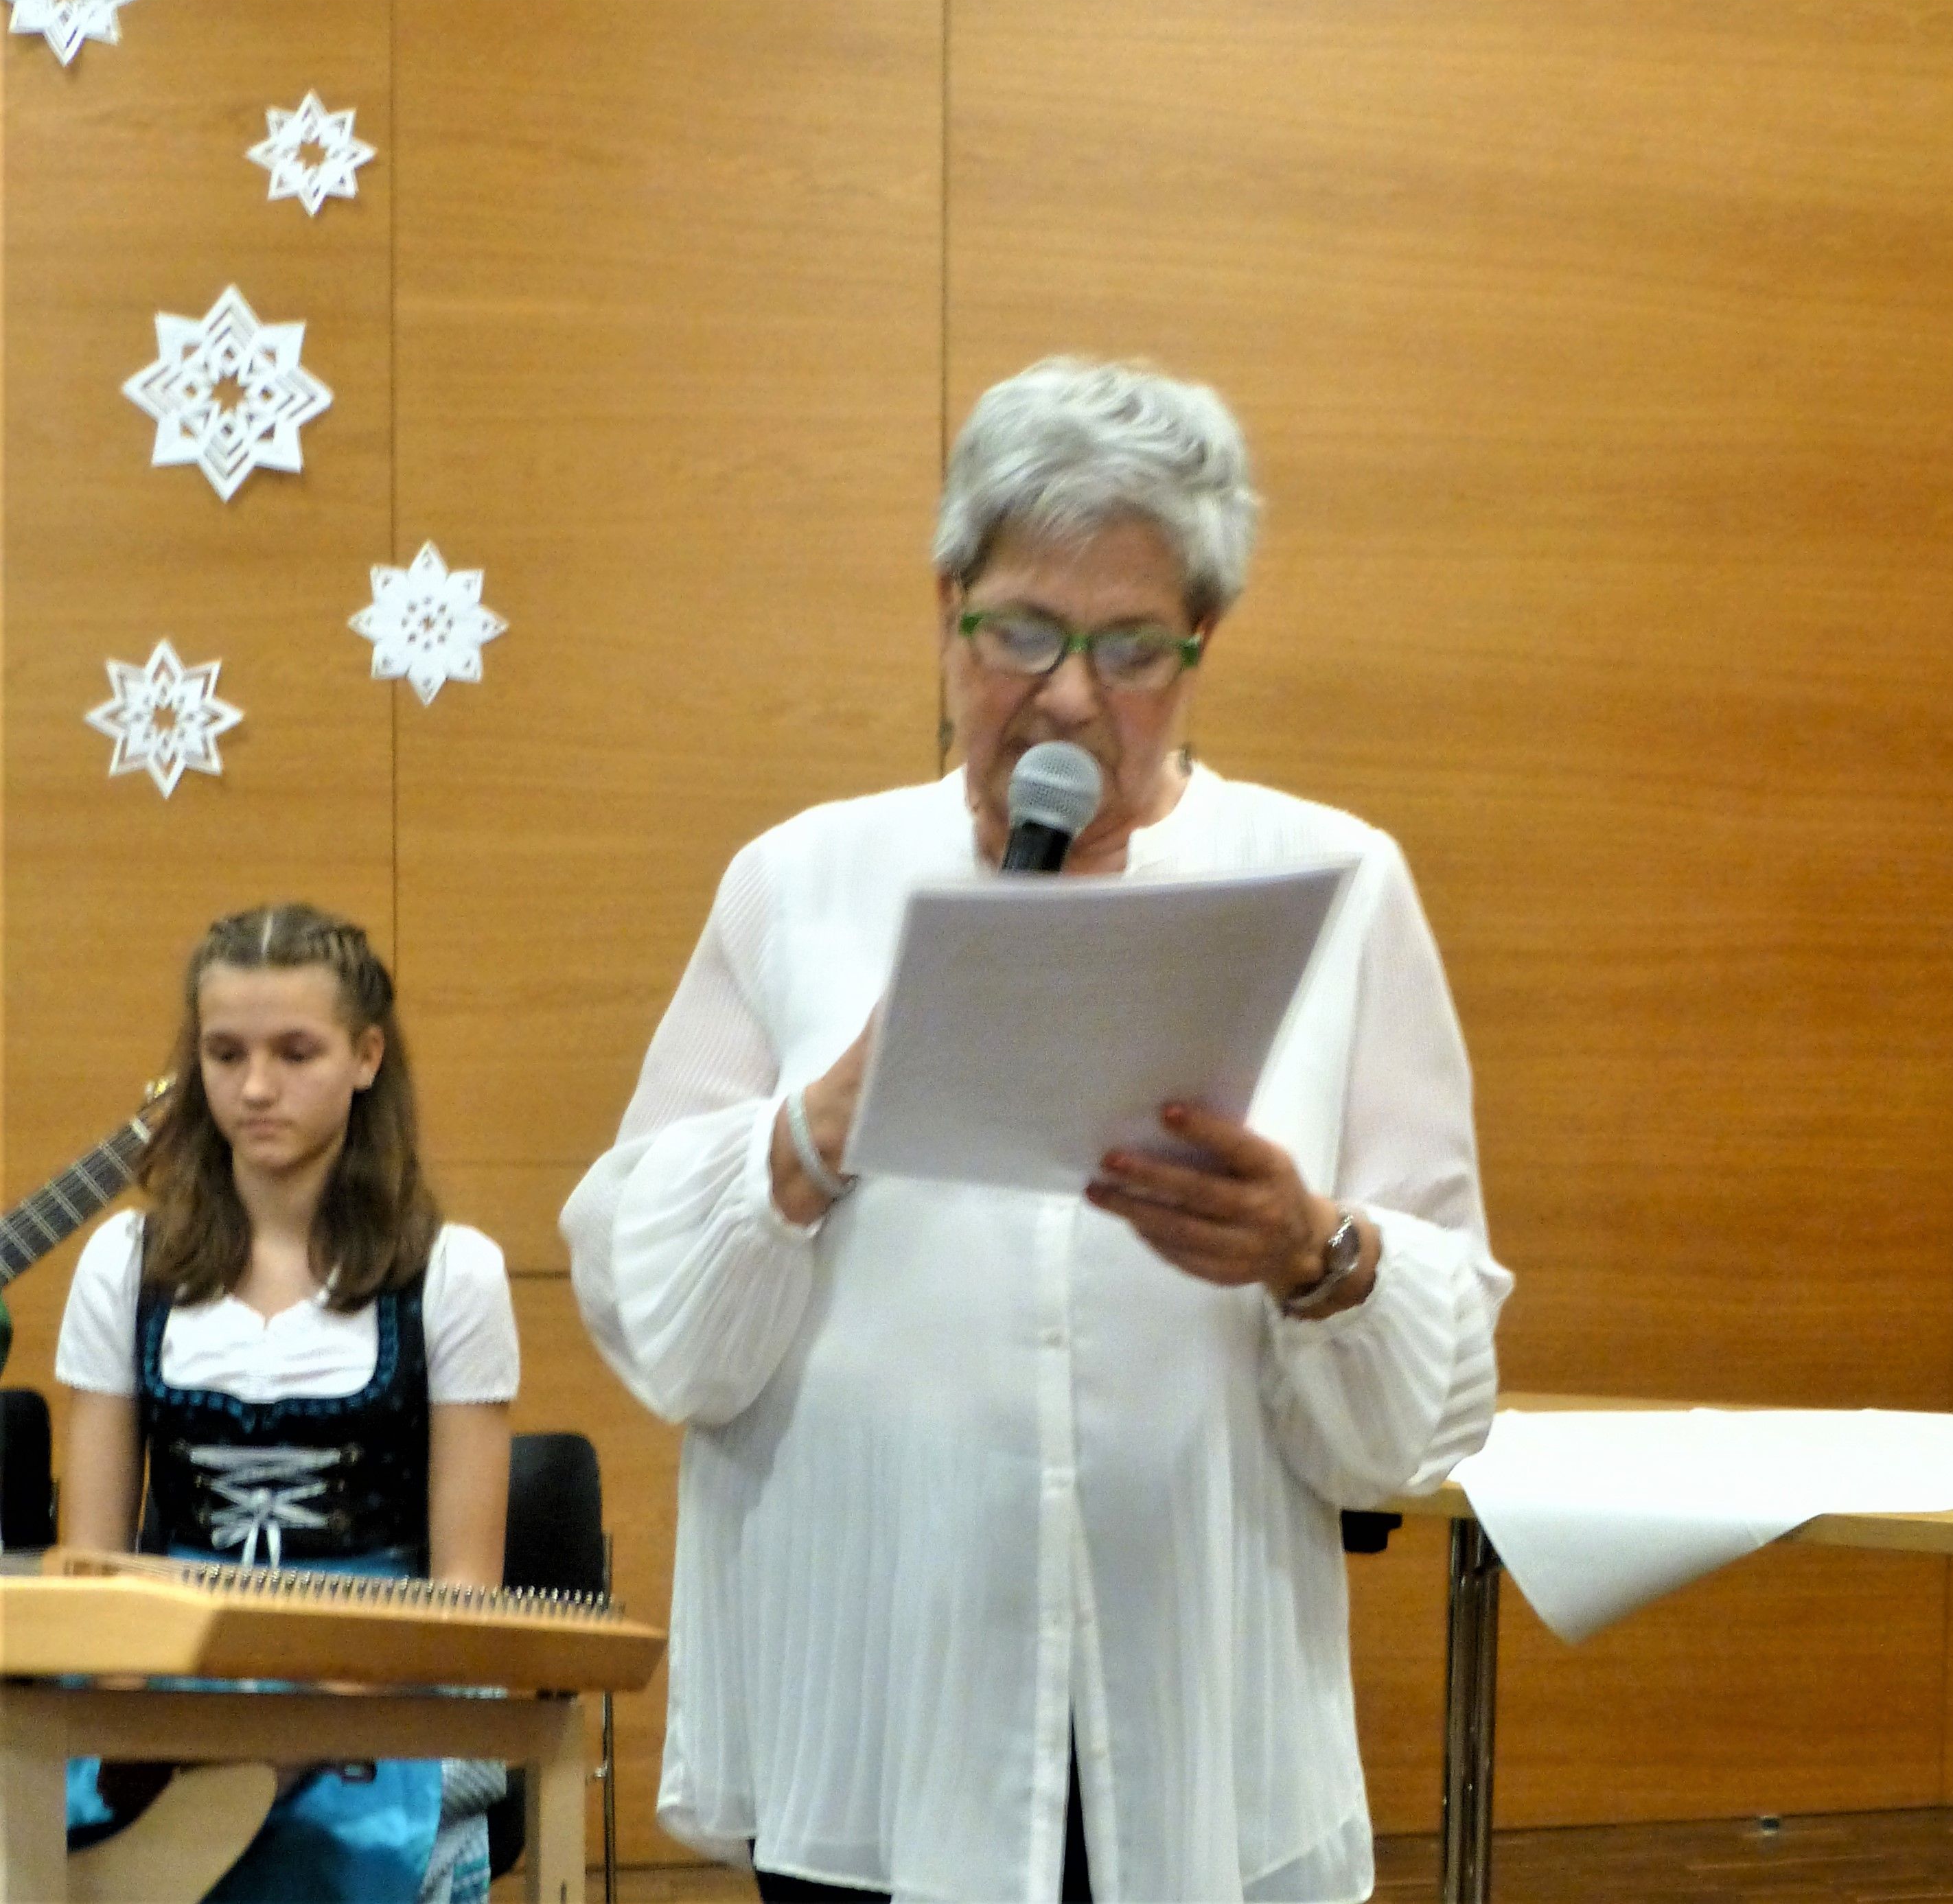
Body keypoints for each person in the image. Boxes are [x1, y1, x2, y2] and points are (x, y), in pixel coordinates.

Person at [563, 358, 1513, 1903]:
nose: (1068, 694)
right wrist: (815, 1132)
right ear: (947, 605)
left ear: (1203, 643)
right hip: (882, 1719)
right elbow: (661, 1324)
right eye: (1021, 630)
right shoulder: (803, 882)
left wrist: (1315, 1253)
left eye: (1130, 646)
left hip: (1192, 1727)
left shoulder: (1334, 882)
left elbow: (1428, 1403)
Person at [54, 902, 521, 1904]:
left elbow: (465, 1596)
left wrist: (285, 1737)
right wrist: (147, 1746)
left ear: (366, 1056)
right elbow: (90, 1569)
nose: (256, 1087)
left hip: (379, 1695)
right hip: (168, 1692)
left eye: (295, 1052)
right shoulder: (123, 1264)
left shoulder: (455, 1272)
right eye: (225, 1054)